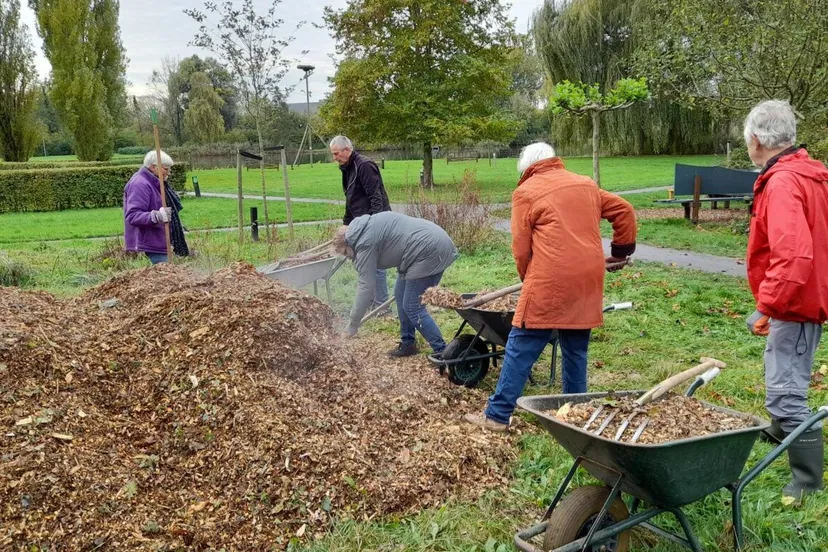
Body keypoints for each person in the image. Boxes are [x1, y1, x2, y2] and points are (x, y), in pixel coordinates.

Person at [463, 143, 637, 432]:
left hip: (550, 280)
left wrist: (527, 280)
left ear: (527, 167)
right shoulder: (586, 184)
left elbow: (520, 249)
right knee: (575, 350)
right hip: (587, 280)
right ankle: (574, 415)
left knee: (521, 346)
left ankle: (497, 416)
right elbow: (625, 210)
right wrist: (621, 251)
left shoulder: (526, 192)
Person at [743, 99, 828, 501]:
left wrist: (768, 304)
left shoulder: (781, 182)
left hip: (795, 300)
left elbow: (793, 254)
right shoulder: (808, 173)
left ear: (757, 140)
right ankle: (781, 427)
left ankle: (808, 482)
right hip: (803, 295)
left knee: (787, 388)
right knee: (782, 363)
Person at [334, 212, 458, 357]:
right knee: (400, 295)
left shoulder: (364, 243)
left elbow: (365, 287)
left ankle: (443, 351)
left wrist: (352, 325)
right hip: (423, 246)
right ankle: (408, 343)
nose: (347, 257)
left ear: (348, 244)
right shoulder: (362, 228)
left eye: (344, 253)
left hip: (429, 250)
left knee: (412, 306)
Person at [330, 135, 393, 313]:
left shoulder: (364, 165)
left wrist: (375, 224)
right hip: (360, 223)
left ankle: (382, 307)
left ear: (347, 150)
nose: (334, 158)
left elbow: (376, 197)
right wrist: (345, 225)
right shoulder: (347, 168)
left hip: (375, 221)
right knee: (364, 263)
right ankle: (372, 302)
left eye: (336, 154)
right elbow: (350, 199)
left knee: (377, 264)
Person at [123, 151, 189, 264]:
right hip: (152, 241)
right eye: (166, 168)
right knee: (166, 277)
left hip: (160, 239)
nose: (169, 172)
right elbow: (133, 215)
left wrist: (174, 225)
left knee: (169, 275)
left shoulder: (155, 182)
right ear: (153, 167)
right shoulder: (140, 184)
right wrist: (157, 216)